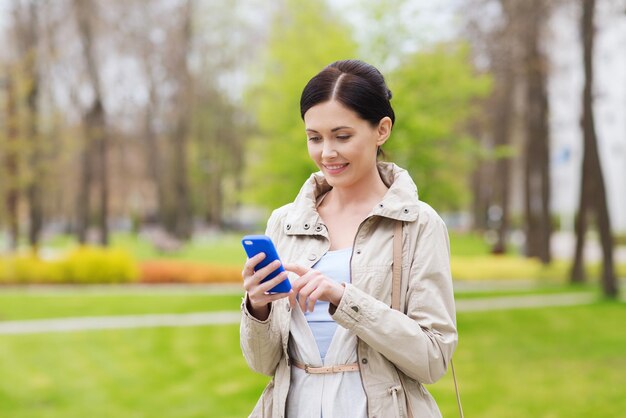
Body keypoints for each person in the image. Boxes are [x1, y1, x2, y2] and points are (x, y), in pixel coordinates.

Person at [240, 59, 457, 418]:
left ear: (381, 130)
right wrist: (257, 306)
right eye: (315, 138)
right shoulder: (284, 222)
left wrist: (343, 298)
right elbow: (263, 364)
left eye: (342, 136)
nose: (327, 152)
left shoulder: (419, 224)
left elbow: (432, 359)